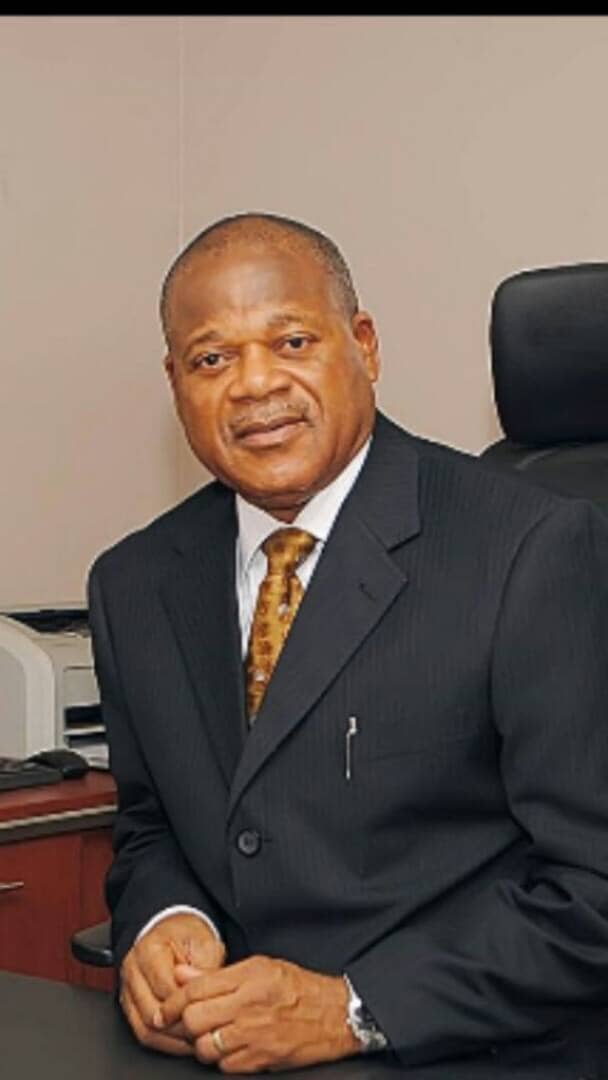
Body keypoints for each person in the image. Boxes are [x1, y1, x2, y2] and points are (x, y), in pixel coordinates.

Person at [88, 212, 608, 1073]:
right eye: (212, 359)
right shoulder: (132, 583)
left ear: (363, 345)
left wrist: (354, 1009)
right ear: (176, 383)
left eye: (291, 341)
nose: (255, 384)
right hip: (229, 1048)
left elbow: (593, 889)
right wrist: (166, 920)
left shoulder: (530, 550)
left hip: (465, 1051)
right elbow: (153, 827)